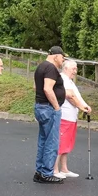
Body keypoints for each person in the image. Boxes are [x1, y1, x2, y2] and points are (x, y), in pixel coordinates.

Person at [33, 46, 66, 184]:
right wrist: (57, 107)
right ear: (56, 56)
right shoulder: (51, 68)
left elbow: (36, 87)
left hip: (40, 106)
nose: (63, 60)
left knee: (43, 140)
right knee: (52, 142)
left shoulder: (40, 67)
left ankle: (39, 171)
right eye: (62, 57)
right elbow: (47, 88)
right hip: (49, 108)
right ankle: (47, 172)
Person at [55, 59, 91, 179]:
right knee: (60, 143)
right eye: (73, 69)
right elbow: (70, 97)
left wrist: (85, 105)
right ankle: (55, 170)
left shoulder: (69, 81)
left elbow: (77, 96)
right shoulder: (62, 79)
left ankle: (64, 169)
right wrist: (82, 107)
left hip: (71, 117)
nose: (75, 71)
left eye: (76, 69)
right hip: (64, 116)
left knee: (67, 144)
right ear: (65, 68)